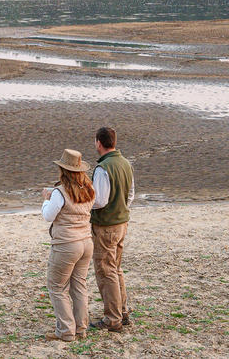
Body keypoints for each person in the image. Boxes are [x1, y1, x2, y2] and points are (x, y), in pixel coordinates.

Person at [41, 148, 96, 342]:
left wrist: (46, 200)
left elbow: (48, 216)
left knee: (56, 286)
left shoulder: (59, 192)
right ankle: (80, 328)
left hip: (66, 244)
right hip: (86, 242)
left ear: (63, 170)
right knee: (79, 285)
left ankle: (65, 331)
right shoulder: (90, 189)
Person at [88, 126, 135, 332]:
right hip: (121, 222)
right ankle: (122, 312)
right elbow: (130, 195)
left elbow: (99, 201)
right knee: (115, 269)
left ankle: (112, 318)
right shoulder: (125, 163)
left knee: (106, 271)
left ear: (99, 142)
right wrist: (121, 209)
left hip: (106, 225)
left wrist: (84, 201)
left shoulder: (103, 168)